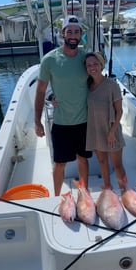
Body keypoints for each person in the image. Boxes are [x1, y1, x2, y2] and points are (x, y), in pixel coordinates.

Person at [35, 15, 92, 196]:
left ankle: (84, 194)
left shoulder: (87, 58)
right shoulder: (49, 60)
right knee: (59, 164)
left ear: (81, 34)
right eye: (69, 32)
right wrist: (37, 121)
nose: (73, 35)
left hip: (84, 121)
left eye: (76, 32)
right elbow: (41, 91)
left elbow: (97, 83)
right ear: (63, 34)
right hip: (61, 122)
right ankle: (57, 196)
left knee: (83, 159)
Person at [84, 51, 127, 191]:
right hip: (96, 131)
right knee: (102, 162)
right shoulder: (87, 86)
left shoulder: (111, 85)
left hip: (111, 131)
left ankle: (124, 190)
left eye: (95, 64)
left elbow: (119, 111)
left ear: (101, 65)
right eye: (89, 65)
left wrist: (112, 132)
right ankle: (107, 188)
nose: (92, 67)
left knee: (117, 166)